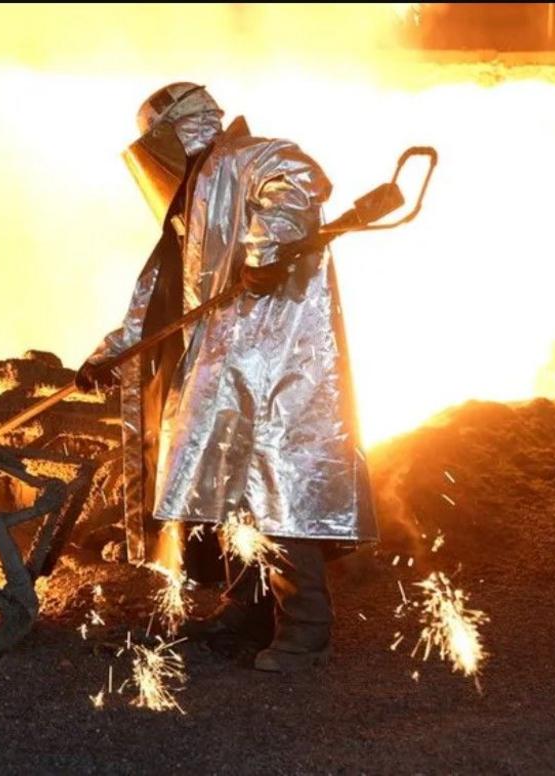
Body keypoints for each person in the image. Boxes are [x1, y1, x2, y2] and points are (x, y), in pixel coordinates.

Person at [77, 82, 377, 672]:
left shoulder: (248, 158)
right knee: (223, 498)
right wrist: (106, 356)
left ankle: (305, 634)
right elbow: (156, 309)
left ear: (175, 132)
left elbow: (300, 180)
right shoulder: (190, 211)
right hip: (220, 375)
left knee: (276, 494)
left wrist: (264, 252)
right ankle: (247, 609)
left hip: (273, 368)